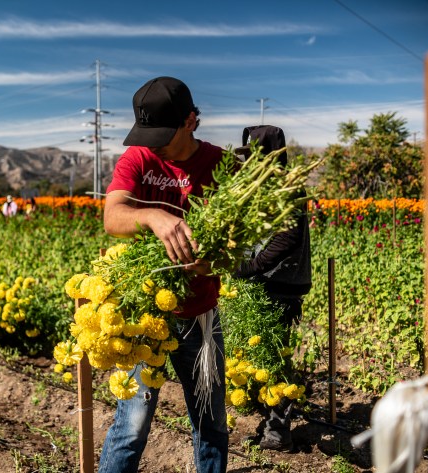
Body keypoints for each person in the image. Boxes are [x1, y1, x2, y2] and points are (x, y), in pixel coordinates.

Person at [99, 76, 228, 473]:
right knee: (132, 426)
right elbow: (112, 216)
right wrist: (153, 215)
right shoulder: (139, 158)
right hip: (146, 315)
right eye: (145, 132)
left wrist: (215, 261)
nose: (151, 142)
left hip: (200, 315)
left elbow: (240, 244)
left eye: (161, 133)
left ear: (190, 121)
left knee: (211, 423)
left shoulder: (221, 165)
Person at [234, 125, 312, 452]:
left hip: (280, 284)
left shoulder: (286, 188)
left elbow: (287, 237)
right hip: (267, 283)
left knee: (274, 358)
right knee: (262, 356)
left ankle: (278, 432)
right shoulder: (264, 186)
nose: (249, 163)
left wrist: (251, 266)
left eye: (253, 157)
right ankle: (270, 422)